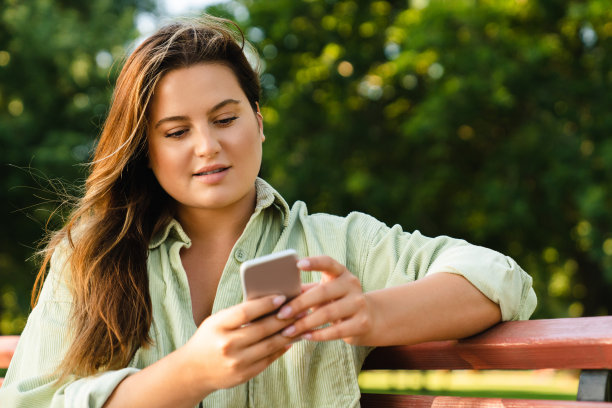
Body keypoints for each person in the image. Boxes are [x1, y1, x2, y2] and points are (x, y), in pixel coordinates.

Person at [0, 15, 536, 408]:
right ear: (147, 150)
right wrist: (192, 373)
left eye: (225, 119)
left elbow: (497, 277)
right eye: (178, 132)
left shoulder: (336, 246)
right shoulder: (93, 257)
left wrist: (373, 315)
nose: (207, 146)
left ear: (258, 121)